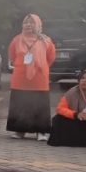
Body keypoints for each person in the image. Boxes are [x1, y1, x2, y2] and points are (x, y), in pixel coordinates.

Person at [7, 13, 56, 141]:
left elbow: (50, 58)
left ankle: (41, 132)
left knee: (40, 105)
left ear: (38, 25)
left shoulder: (46, 41)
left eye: (32, 22)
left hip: (39, 79)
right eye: (26, 22)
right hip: (20, 79)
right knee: (20, 105)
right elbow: (12, 56)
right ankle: (20, 131)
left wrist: (38, 66)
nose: (28, 25)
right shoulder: (17, 40)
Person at [48, 68, 86, 147]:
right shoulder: (72, 92)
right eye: (82, 78)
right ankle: (70, 142)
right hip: (78, 119)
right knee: (58, 119)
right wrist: (76, 115)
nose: (84, 81)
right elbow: (60, 108)